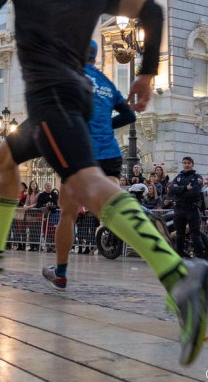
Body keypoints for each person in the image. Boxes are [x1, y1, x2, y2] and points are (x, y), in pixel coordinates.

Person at [0, 0, 208, 366]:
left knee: (89, 186)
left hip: (52, 98)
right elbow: (152, 12)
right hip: (56, 105)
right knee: (4, 157)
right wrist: (147, 73)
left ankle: (178, 273)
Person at [42, 40, 135, 290]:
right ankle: (152, 237)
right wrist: (106, 126)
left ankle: (60, 273)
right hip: (110, 156)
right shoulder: (106, 83)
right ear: (95, 57)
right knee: (113, 209)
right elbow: (129, 115)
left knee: (68, 214)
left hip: (81, 154)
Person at [168, 157, 206, 259]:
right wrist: (185, 188)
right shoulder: (179, 177)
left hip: (192, 209)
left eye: (188, 163)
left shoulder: (197, 177)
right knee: (179, 234)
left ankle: (199, 256)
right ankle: (179, 255)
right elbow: (171, 189)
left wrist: (179, 192)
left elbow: (195, 192)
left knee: (194, 233)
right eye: (184, 163)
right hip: (179, 209)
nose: (186, 165)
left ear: (192, 164)